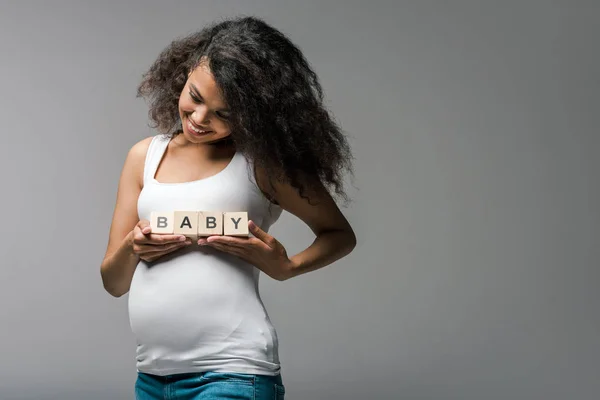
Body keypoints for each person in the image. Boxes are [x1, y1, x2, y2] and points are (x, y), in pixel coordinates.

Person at [100, 16, 356, 400]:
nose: (200, 119)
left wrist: (286, 268)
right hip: (152, 376)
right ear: (185, 74)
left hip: (235, 372)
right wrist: (134, 247)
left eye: (226, 114)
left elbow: (339, 235)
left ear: (256, 115)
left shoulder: (262, 165)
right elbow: (113, 282)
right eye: (196, 97)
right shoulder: (144, 158)